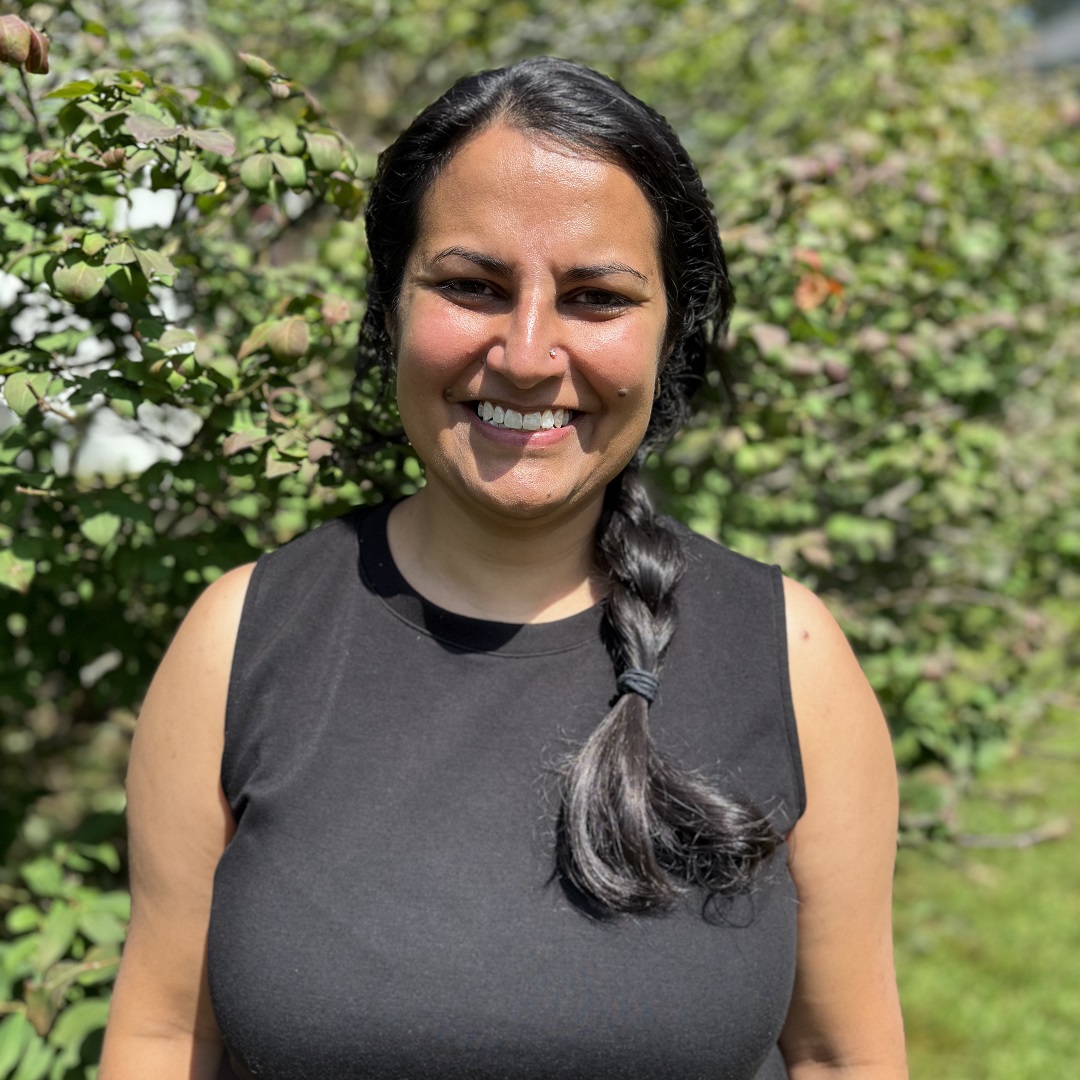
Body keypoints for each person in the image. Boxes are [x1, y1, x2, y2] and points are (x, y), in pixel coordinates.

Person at [100, 57, 907, 1079]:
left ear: (670, 335)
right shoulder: (241, 641)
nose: (527, 355)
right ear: (390, 307)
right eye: (472, 286)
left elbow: (843, 1055)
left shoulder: (790, 657)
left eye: (596, 297)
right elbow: (164, 1039)